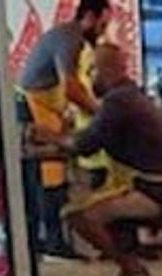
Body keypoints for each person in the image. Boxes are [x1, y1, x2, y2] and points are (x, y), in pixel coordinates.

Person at [64, 43, 162, 276]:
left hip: (155, 193)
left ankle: (133, 270)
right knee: (103, 200)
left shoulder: (118, 100)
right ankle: (129, 268)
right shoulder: (130, 95)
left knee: (78, 215)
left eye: (93, 70)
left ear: (106, 70)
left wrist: (48, 136)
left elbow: (83, 146)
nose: (91, 77)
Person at [17, 0, 110, 258]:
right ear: (89, 16)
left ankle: (55, 240)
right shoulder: (70, 38)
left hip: (50, 108)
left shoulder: (74, 39)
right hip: (33, 107)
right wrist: (100, 113)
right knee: (50, 175)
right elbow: (71, 87)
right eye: (103, 24)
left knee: (57, 175)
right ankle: (52, 243)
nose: (103, 31)